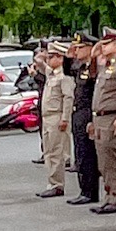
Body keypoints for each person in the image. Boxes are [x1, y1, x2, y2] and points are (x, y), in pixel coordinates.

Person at [90, 35, 116, 215]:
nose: (103, 47)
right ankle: (110, 196)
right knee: (104, 162)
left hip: (111, 117)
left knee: (115, 161)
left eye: (107, 44)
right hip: (100, 118)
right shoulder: (106, 66)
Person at [37, 43, 75, 199]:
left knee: (56, 152)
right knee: (48, 152)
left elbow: (68, 98)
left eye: (52, 57)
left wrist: (65, 118)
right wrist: (42, 56)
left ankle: (57, 184)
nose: (49, 59)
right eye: (49, 56)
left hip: (56, 116)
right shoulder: (51, 74)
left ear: (61, 58)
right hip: (47, 117)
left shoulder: (64, 76)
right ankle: (51, 182)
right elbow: (39, 62)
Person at [67, 41, 101, 207]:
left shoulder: (95, 68)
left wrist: (92, 119)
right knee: (80, 153)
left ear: (90, 48)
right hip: (78, 113)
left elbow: (94, 95)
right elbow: (68, 70)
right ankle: (84, 189)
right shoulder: (82, 68)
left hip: (87, 113)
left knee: (88, 155)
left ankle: (90, 191)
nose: (77, 51)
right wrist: (69, 56)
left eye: (80, 48)